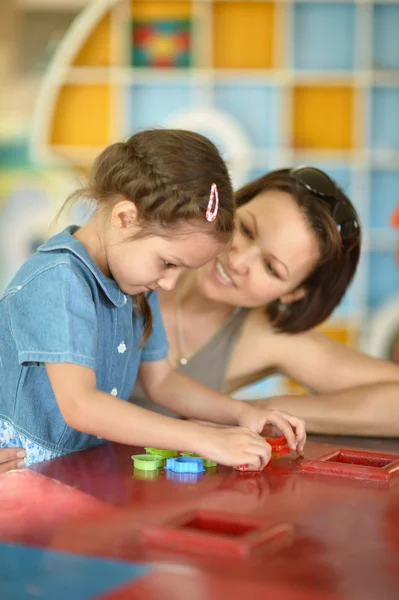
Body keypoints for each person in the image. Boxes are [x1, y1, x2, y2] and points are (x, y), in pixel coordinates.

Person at [0, 129, 305, 469]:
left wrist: (243, 412)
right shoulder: (59, 281)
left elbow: (162, 381)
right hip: (24, 471)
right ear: (125, 218)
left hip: (77, 467)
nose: (171, 283)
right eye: (169, 263)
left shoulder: (138, 283)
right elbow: (81, 405)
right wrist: (206, 439)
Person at [130, 166, 399, 437]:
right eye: (246, 230)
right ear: (233, 204)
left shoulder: (266, 335)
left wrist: (256, 411)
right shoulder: (137, 255)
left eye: (271, 267)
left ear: (294, 292)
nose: (237, 261)